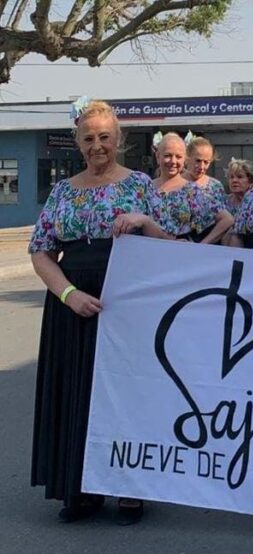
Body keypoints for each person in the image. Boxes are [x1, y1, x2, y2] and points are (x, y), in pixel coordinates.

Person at [29, 100, 173, 525]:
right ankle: (79, 488)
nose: (97, 146)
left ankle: (127, 486)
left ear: (119, 140)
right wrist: (68, 293)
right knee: (76, 392)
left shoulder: (142, 186)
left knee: (124, 395)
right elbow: (41, 252)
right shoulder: (63, 191)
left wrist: (144, 222)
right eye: (88, 138)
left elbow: (170, 246)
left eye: (104, 137)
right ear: (78, 142)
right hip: (74, 308)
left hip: (126, 308)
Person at [153, 133, 233, 242]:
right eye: (167, 155)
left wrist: (201, 245)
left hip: (181, 251)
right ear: (158, 157)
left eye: (178, 157)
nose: (173, 161)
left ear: (184, 159)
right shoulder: (145, 187)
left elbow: (227, 219)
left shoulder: (192, 190)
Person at [184, 135, 228, 209]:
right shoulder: (175, 184)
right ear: (187, 157)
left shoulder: (215, 187)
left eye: (206, 162)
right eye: (198, 161)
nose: (201, 166)